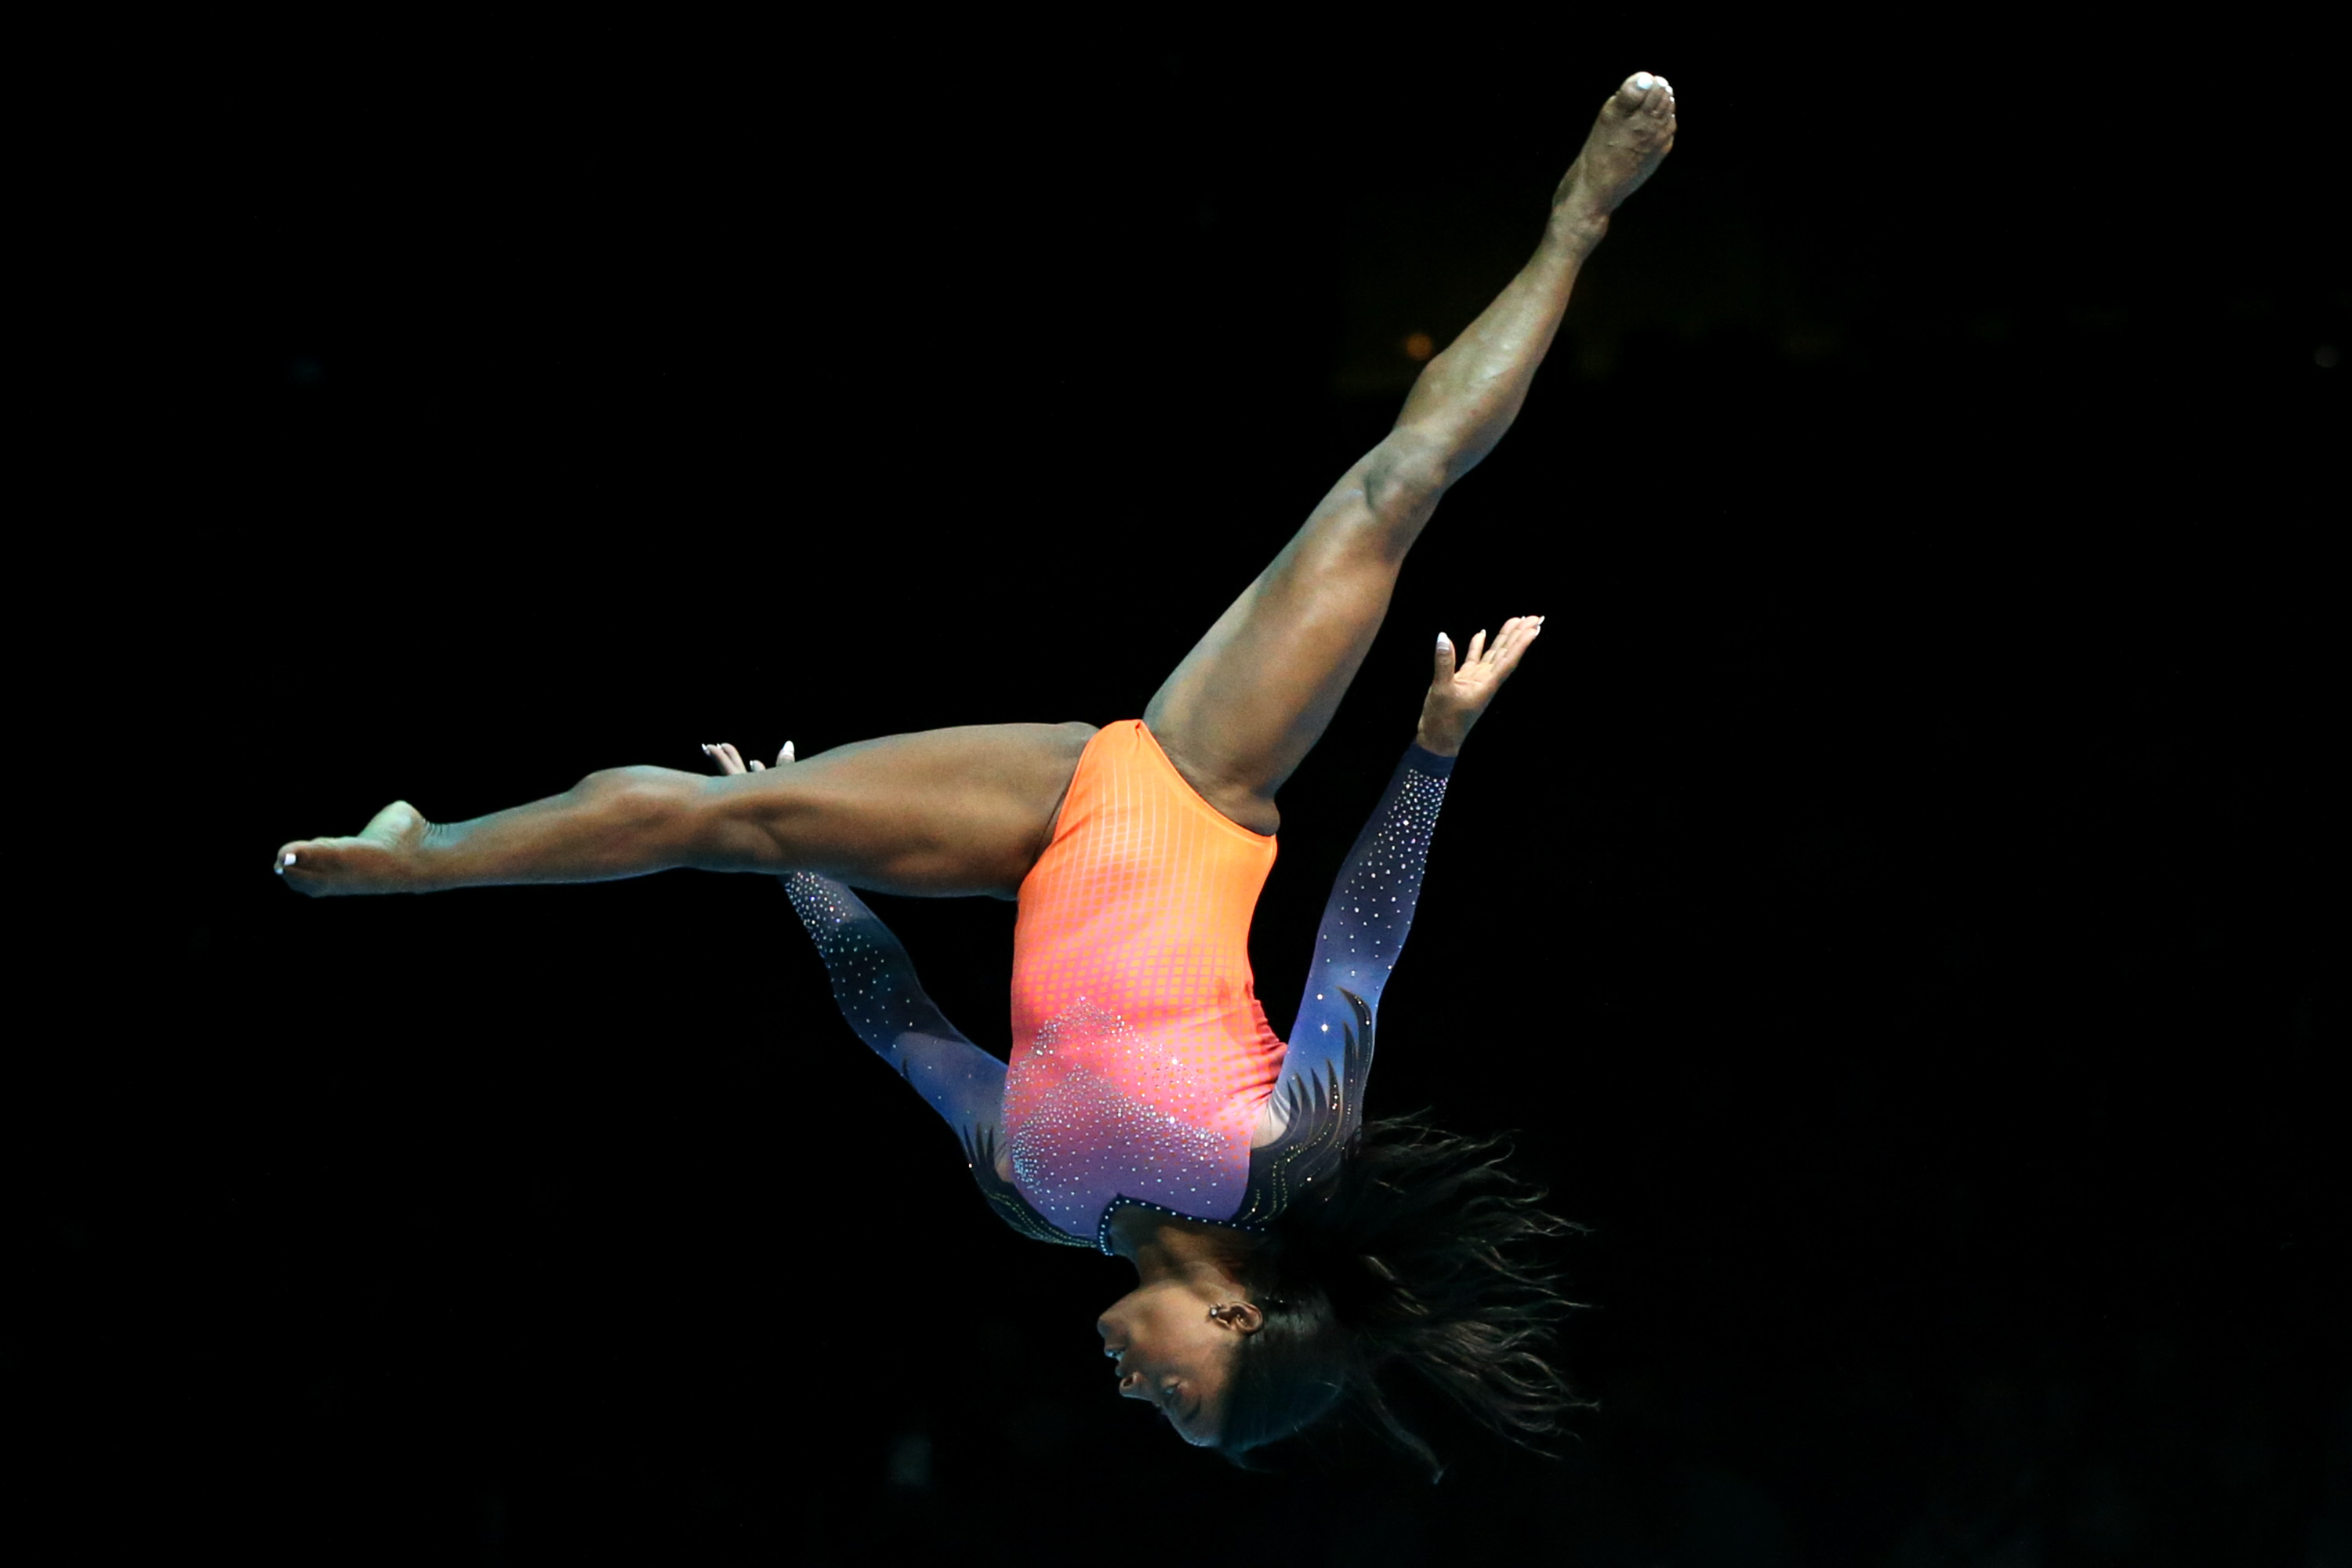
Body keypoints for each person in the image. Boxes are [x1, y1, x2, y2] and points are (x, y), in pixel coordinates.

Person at [276, 71, 1677, 1473]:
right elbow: (1359, 957)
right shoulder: (1280, 1157)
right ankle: (1576, 223)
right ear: (1246, 1319)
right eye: (1183, 1399)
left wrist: (816, 880)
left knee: (738, 823)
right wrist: (1432, 751)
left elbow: (900, 1022)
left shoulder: (1040, 1201)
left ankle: (430, 854)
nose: (1139, 1392)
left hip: (1033, 831)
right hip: (1200, 777)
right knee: (1394, 488)